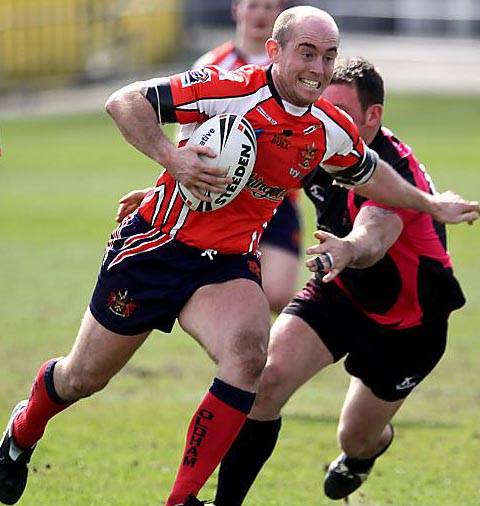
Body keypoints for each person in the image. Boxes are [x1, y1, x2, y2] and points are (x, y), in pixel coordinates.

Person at [0, 8, 478, 506]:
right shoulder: (227, 88)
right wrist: (171, 160)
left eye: (329, 57)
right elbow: (124, 101)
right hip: (155, 248)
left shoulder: (327, 127)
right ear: (274, 52)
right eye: (307, 53)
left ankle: (182, 499)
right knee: (82, 378)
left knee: (251, 357)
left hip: (225, 263)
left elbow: (369, 170)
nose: (318, 68)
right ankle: (20, 434)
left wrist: (427, 203)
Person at [208, 56, 474, 506]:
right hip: (340, 289)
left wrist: (347, 248)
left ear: (373, 117)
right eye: (322, 108)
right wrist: (184, 189)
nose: (326, 121)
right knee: (264, 381)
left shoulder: (395, 173)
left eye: (342, 114)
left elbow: (374, 235)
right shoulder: (319, 139)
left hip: (408, 326)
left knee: (354, 436)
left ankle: (364, 454)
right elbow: (248, 175)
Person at [117, 0, 302, 313]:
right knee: (225, 286)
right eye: (253, 5)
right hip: (220, 191)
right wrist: (171, 183)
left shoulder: (293, 70)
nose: (260, 13)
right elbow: (186, 136)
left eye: (269, 7)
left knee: (279, 293)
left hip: (274, 196)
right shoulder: (213, 64)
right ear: (236, 10)